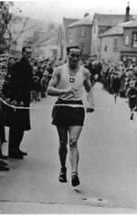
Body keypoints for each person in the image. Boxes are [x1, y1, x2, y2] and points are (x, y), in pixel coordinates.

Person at [47, 46, 94, 187]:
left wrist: (91, 103)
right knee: (63, 142)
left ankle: (74, 173)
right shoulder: (59, 70)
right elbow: (49, 89)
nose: (74, 58)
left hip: (77, 109)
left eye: (77, 56)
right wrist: (63, 91)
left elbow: (89, 89)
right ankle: (63, 168)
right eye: (72, 55)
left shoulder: (85, 72)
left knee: (73, 141)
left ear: (80, 58)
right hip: (62, 107)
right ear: (67, 55)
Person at [7, 46, 34, 159]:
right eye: (27, 53)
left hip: (25, 99)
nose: (29, 55)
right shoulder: (18, 65)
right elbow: (15, 84)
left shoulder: (28, 66)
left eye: (30, 53)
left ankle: (16, 148)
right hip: (19, 100)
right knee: (16, 126)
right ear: (22, 53)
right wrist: (19, 99)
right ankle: (12, 150)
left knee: (21, 125)